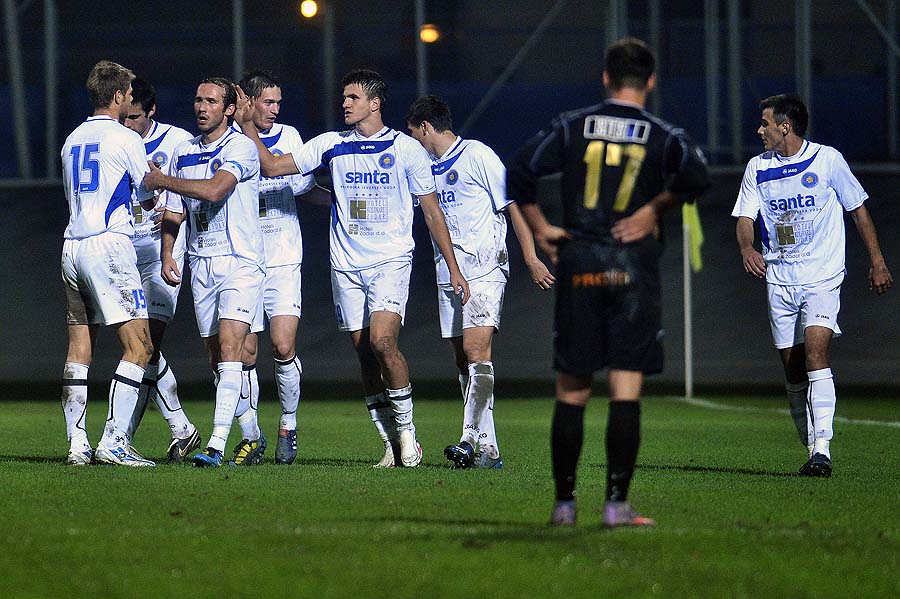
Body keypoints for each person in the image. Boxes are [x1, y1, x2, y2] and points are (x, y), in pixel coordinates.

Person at [507, 38, 710, 526]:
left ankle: (564, 506)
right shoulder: (663, 134)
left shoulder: (573, 125)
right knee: (625, 388)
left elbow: (519, 171)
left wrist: (540, 227)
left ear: (605, 77)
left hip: (581, 262)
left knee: (572, 388)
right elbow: (698, 176)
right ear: (652, 81)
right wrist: (653, 209)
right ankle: (617, 505)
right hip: (632, 269)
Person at [235, 68, 470, 468]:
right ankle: (390, 444)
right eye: (344, 97)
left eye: (353, 97)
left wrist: (454, 268)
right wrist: (246, 127)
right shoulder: (330, 144)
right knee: (364, 356)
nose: (344, 103)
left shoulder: (405, 149)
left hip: (391, 261)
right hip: (346, 266)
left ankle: (409, 437)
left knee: (383, 341)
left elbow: (431, 212)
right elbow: (273, 168)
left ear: (375, 104)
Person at [732, 93, 892, 477]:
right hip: (780, 278)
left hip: (822, 275)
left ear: (785, 126)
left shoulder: (827, 160)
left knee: (817, 353)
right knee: (793, 369)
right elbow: (744, 216)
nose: (760, 130)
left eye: (765, 123)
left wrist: (878, 261)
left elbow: (857, 209)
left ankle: (823, 449)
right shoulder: (758, 167)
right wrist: (746, 247)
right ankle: (810, 444)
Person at [405, 95, 555, 470]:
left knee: (476, 350)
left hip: (486, 266)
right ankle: (489, 449)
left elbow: (512, 205)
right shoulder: (425, 169)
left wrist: (531, 256)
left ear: (425, 127)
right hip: (448, 271)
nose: (412, 142)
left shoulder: (478, 155)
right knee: (463, 358)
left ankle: (469, 439)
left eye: (413, 133)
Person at [144, 77, 265, 468]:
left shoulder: (241, 147)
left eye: (211, 101)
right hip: (202, 264)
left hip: (241, 262)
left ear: (229, 109)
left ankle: (214, 445)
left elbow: (215, 190)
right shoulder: (184, 150)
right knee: (218, 360)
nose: (202, 107)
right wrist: (167, 255)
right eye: (198, 100)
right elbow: (175, 211)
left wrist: (161, 179)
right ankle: (253, 436)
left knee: (231, 349)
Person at [231, 70, 331, 466]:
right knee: (245, 352)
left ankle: (288, 425)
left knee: (284, 345)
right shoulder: (230, 141)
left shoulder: (289, 136)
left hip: (285, 257)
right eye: (267, 102)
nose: (274, 109)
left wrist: (342, 204)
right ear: (249, 102)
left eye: (277, 102)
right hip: (244, 259)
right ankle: (252, 436)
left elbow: (303, 188)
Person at [59, 60, 156, 467]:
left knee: (79, 348)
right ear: (118, 96)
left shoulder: (71, 140)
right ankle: (114, 442)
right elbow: (147, 189)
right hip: (108, 247)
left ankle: (77, 446)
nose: (130, 101)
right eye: (129, 95)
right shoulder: (125, 137)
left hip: (71, 247)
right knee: (140, 346)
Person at [122, 77, 202, 463]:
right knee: (139, 348)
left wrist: (174, 201)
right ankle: (181, 429)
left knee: (147, 342)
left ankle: (121, 435)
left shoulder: (178, 141)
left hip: (162, 252)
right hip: (123, 252)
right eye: (124, 116)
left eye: (134, 117)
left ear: (151, 112)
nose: (128, 124)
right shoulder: (115, 141)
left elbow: (197, 184)